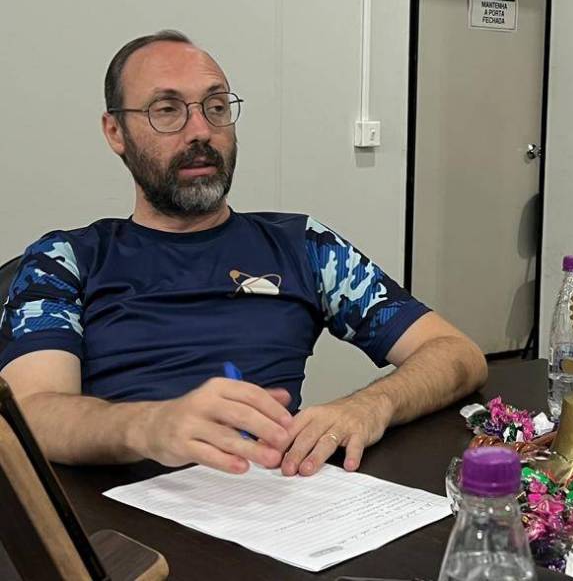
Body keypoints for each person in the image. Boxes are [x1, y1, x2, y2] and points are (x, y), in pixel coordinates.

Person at [0, 30, 487, 476]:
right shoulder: (65, 260)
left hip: (273, 501)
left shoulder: (303, 246)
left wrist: (370, 405)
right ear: (115, 132)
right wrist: (149, 425)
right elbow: (32, 412)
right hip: (120, 518)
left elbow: (457, 354)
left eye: (216, 107)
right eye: (167, 110)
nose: (200, 130)